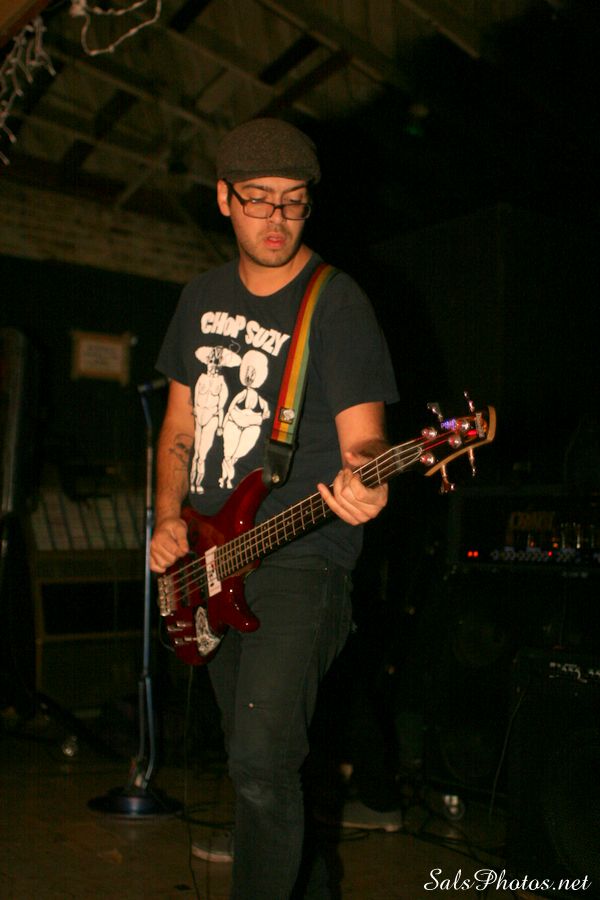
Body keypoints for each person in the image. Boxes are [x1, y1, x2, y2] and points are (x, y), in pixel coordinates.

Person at [149, 117, 399, 900]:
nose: (277, 218)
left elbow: (365, 439)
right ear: (223, 198)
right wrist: (168, 519)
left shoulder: (337, 302)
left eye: (293, 200)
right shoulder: (199, 298)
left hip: (300, 558)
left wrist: (369, 479)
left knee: (260, 764)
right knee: (258, 762)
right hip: (208, 557)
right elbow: (180, 426)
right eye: (258, 198)